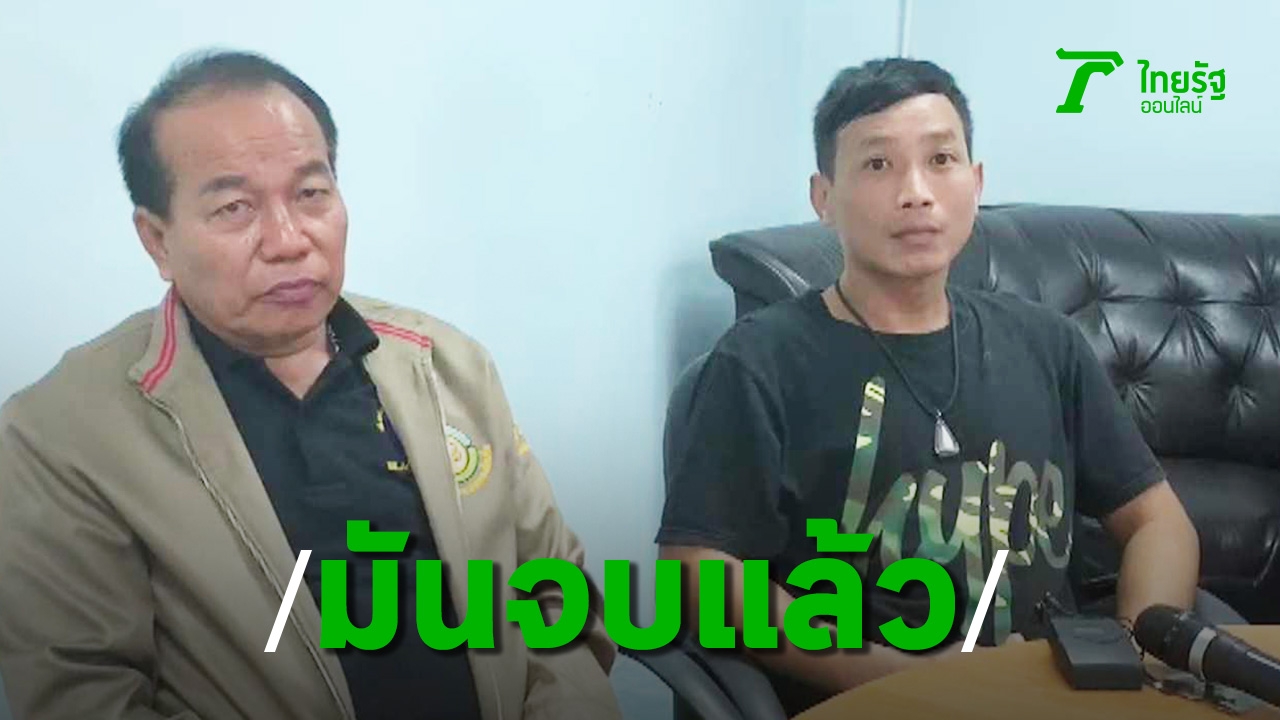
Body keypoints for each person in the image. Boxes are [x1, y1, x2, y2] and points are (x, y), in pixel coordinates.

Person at [0, 50, 622, 720]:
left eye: (310, 194)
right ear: (157, 240)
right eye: (235, 207)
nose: (288, 240)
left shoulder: (449, 365)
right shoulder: (62, 434)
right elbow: (87, 695)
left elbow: (558, 603)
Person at [656, 58, 1200, 716]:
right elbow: (699, 568)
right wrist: (906, 679)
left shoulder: (1046, 343)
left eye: (941, 159)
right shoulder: (759, 362)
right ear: (823, 198)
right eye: (878, 164)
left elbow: (1157, 521)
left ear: (976, 182)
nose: (916, 192)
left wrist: (1133, 659)